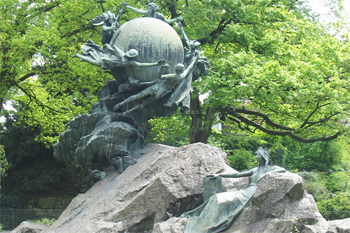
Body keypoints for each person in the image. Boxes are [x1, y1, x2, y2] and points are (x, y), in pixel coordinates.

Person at [181, 147, 286, 233]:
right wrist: (219, 174)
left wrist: (266, 174)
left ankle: (210, 224)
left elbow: (282, 170)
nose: (256, 156)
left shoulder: (270, 169)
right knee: (217, 197)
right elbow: (237, 174)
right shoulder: (255, 170)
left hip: (253, 193)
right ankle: (200, 218)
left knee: (227, 201)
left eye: (258, 155)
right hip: (246, 191)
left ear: (263, 157)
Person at [113, 51, 200, 115]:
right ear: (182, 70)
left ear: (176, 69)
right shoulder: (182, 76)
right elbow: (190, 67)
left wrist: (162, 68)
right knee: (143, 104)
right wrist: (196, 58)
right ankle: (127, 112)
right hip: (163, 92)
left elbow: (159, 77)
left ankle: (121, 104)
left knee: (138, 95)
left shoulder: (171, 75)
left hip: (158, 87)